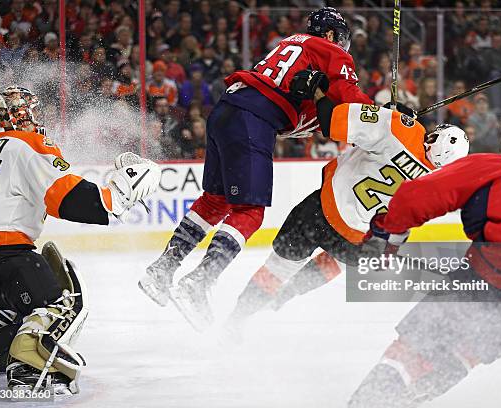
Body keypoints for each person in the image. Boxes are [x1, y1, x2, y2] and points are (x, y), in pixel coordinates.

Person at [138, 7, 373, 332]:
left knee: (215, 200)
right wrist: (386, 117)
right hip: (254, 119)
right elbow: (355, 104)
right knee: (251, 212)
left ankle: (162, 269)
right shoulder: (330, 51)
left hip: (226, 109)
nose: (343, 49)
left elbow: (324, 116)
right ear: (332, 35)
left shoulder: (293, 45)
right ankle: (199, 282)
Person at [351, 109, 501, 407]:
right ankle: (403, 401)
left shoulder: (491, 166)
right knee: (465, 352)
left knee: (414, 346)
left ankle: (368, 402)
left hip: (489, 280)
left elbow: (418, 194)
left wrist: (388, 233)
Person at [226, 74, 469, 335]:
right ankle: (287, 296)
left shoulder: (402, 129)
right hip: (355, 239)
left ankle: (238, 318)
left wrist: (323, 94)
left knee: (279, 267)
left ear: (434, 140)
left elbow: (334, 123)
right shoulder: (434, 186)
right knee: (344, 260)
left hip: (319, 213)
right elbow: (398, 230)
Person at [0, 86, 161, 394]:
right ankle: (29, 369)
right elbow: (71, 199)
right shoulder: (26, 143)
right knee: (60, 304)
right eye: (32, 111)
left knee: (5, 314)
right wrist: (120, 193)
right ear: (20, 115)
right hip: (3, 252)